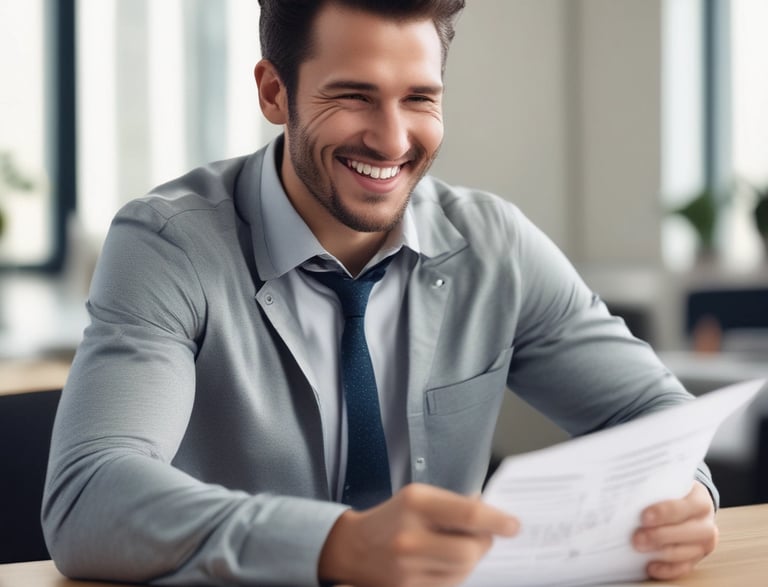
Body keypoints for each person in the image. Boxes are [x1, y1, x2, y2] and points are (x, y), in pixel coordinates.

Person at [42, 1, 719, 586]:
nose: (393, 140)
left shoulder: (495, 245)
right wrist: (338, 543)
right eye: (354, 96)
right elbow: (89, 493)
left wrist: (690, 494)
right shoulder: (168, 245)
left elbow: (657, 414)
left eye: (419, 98)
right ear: (275, 92)